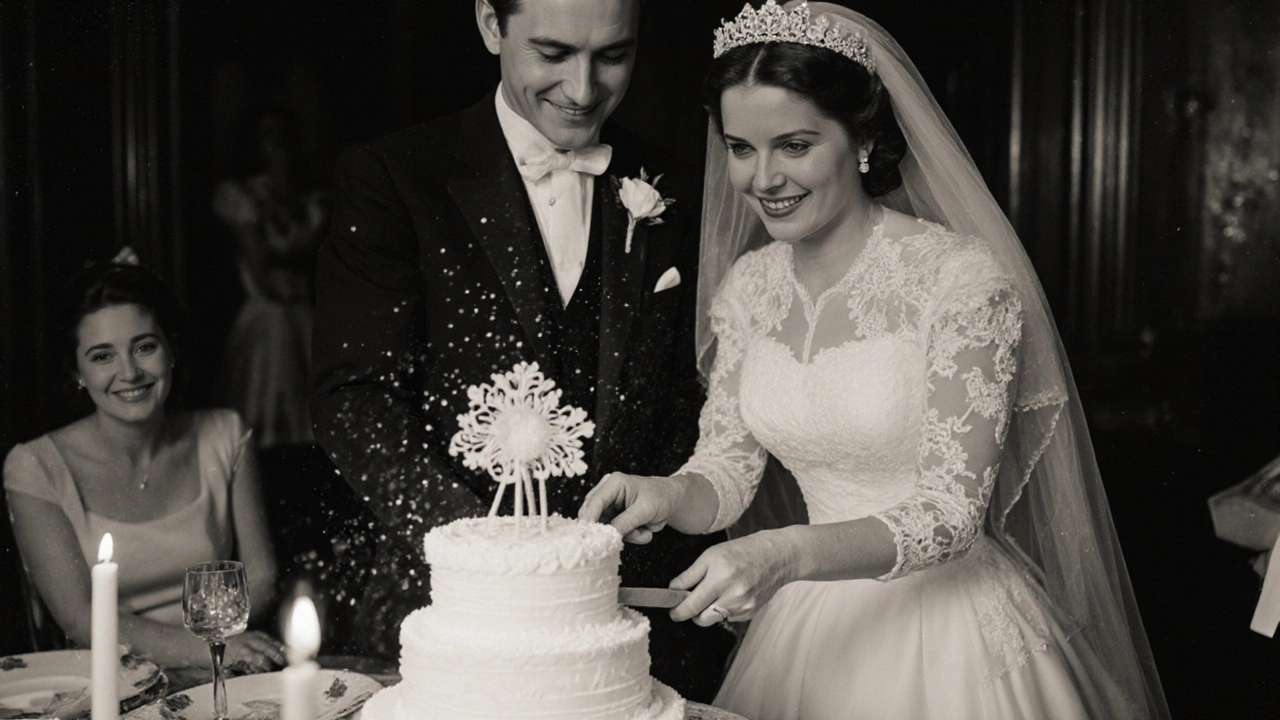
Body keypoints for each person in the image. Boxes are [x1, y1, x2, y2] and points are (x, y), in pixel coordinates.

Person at [579, 2, 1170, 717]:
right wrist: (668, 494)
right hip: (806, 631)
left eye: (794, 145)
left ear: (861, 138)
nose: (762, 178)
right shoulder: (752, 284)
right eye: (741, 148)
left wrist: (784, 555)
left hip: (949, 640)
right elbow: (728, 470)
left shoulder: (959, 280)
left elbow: (952, 515)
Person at [309, 0, 732, 699]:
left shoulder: (679, 187)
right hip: (456, 613)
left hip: (632, 635)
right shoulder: (393, 177)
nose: (584, 88)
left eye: (612, 55)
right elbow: (353, 400)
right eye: (554, 53)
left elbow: (696, 387)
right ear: (489, 24)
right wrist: (496, 560)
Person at [4, 249, 284, 671]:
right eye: (102, 356)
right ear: (77, 372)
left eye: (144, 347)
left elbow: (261, 578)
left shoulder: (225, 434)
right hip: (112, 681)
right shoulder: (34, 466)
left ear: (171, 350)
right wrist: (205, 649)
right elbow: (81, 618)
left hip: (229, 664)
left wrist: (219, 654)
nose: (130, 372)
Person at [213, 105, 328, 448]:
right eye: (267, 135)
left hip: (305, 311)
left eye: (283, 134)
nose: (277, 144)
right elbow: (259, 263)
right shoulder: (243, 196)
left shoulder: (312, 196)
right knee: (268, 404)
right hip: (269, 311)